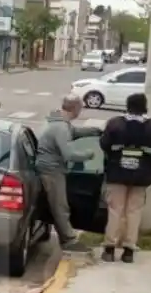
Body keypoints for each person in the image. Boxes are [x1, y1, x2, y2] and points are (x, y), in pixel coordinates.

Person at [98, 92, 151, 263]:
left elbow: (104, 144)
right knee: (134, 212)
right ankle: (129, 250)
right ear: (145, 106)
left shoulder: (115, 124)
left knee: (115, 210)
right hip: (141, 176)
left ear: (127, 105)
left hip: (117, 174)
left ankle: (109, 249)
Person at [35, 94, 101, 253]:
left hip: (47, 167)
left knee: (58, 205)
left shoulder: (57, 121)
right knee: (60, 206)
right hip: (51, 170)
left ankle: (67, 238)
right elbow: (69, 154)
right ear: (76, 109)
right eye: (81, 108)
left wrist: (95, 131)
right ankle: (68, 241)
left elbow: (74, 131)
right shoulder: (61, 127)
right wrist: (89, 154)